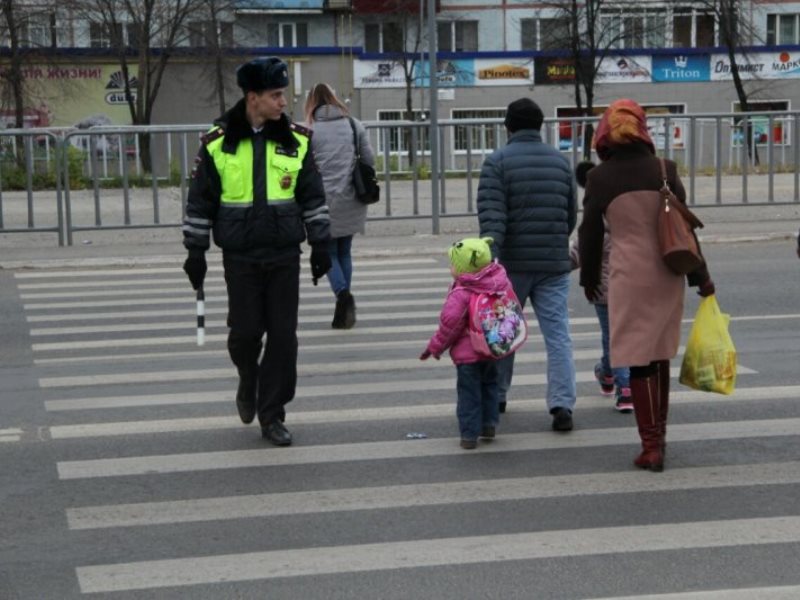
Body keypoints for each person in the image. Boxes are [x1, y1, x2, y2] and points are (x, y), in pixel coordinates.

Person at [181, 57, 331, 446]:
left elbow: (312, 197)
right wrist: (195, 252)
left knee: (284, 338)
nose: (284, 102)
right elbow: (200, 202)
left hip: (284, 254)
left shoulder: (297, 140)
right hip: (241, 257)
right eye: (276, 95)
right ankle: (248, 379)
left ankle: (272, 414)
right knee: (245, 335)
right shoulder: (217, 142)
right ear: (253, 98)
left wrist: (321, 243)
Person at [578, 98, 715, 472]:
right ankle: (660, 438)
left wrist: (589, 279)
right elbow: (684, 230)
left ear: (604, 135)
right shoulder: (664, 170)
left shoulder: (599, 179)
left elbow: (589, 235)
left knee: (638, 359)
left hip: (628, 276)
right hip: (666, 273)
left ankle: (650, 446)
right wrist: (700, 276)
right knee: (658, 354)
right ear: (642, 130)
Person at [477, 97, 578, 432]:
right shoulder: (560, 162)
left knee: (503, 331)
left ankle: (499, 396)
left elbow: (493, 219)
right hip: (553, 263)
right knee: (558, 334)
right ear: (540, 127)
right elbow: (569, 216)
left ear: (508, 126)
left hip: (511, 266)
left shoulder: (497, 162)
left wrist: (489, 262)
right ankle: (562, 404)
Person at [420, 237, 512, 449]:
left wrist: (435, 348)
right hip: (492, 348)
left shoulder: (462, 293)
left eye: (453, 264)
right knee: (490, 386)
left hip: (467, 356)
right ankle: (489, 425)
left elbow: (449, 327)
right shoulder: (499, 283)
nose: (451, 268)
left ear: (464, 270)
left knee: (468, 393)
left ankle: (469, 435)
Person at [303, 83, 375, 329]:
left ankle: (343, 296)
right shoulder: (354, 125)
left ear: (311, 103)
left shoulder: (308, 130)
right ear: (335, 100)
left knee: (330, 253)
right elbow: (369, 160)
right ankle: (343, 303)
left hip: (322, 202)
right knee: (344, 251)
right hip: (353, 198)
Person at [568, 161, 632, 413]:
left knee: (612, 338)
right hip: (631, 287)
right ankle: (607, 374)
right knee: (621, 337)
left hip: (603, 291)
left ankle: (624, 387)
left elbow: (579, 252)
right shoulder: (629, 219)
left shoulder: (594, 220)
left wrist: (556, 265)